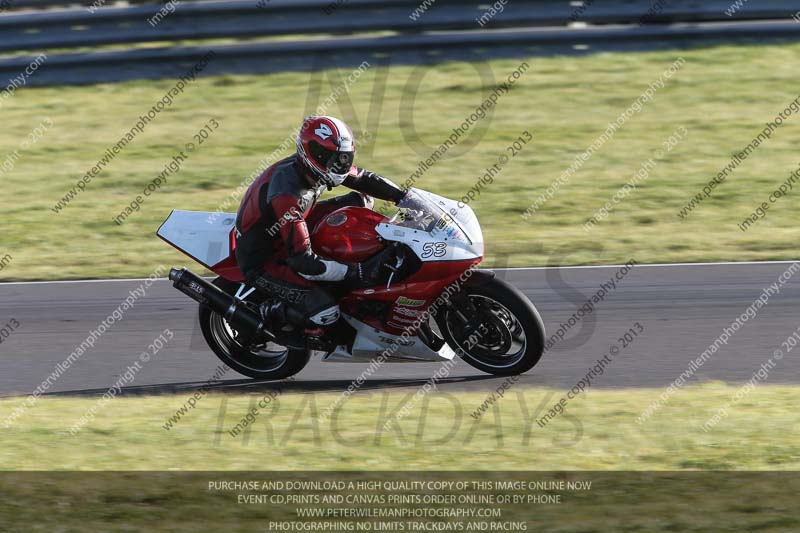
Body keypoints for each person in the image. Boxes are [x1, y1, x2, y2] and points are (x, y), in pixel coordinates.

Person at [234, 115, 406, 338]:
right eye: (330, 157)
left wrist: (405, 197)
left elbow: (364, 178)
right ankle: (274, 313)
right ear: (311, 153)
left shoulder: (320, 167)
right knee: (326, 312)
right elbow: (304, 263)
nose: (339, 164)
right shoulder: (287, 194)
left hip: (293, 222)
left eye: (343, 158)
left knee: (361, 201)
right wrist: (355, 272)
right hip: (265, 258)